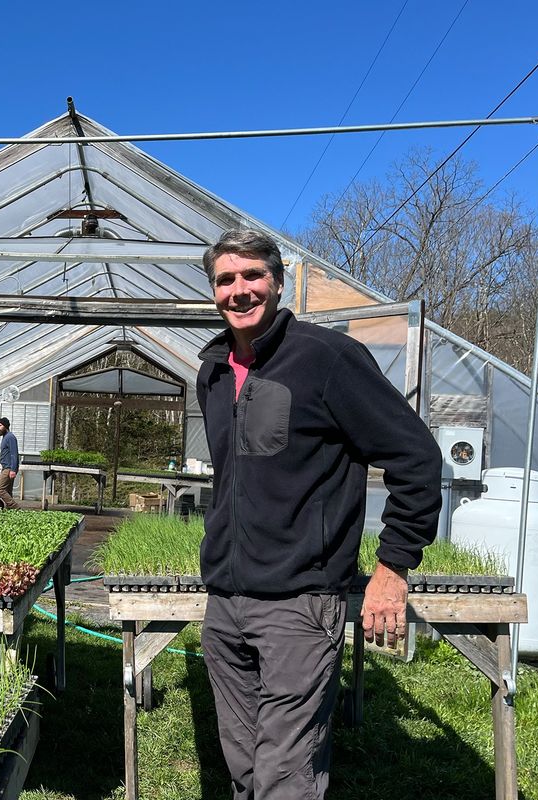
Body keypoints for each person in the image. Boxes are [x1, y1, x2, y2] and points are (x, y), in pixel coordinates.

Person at [195, 229, 441, 799]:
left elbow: (415, 457)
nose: (239, 290)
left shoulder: (327, 359)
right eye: (225, 279)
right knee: (244, 765)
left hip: (299, 605)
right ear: (213, 292)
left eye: (252, 275)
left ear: (278, 282)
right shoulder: (211, 372)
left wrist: (393, 567)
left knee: (287, 774)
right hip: (225, 603)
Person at [0, 417, 20, 509]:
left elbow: (14, 454)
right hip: (6, 467)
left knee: (0, 490)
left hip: (9, 468)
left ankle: (16, 508)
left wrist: (13, 470)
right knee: (8, 491)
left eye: (0, 425)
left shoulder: (10, 437)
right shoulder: (5, 437)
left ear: (6, 426)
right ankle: (10, 511)